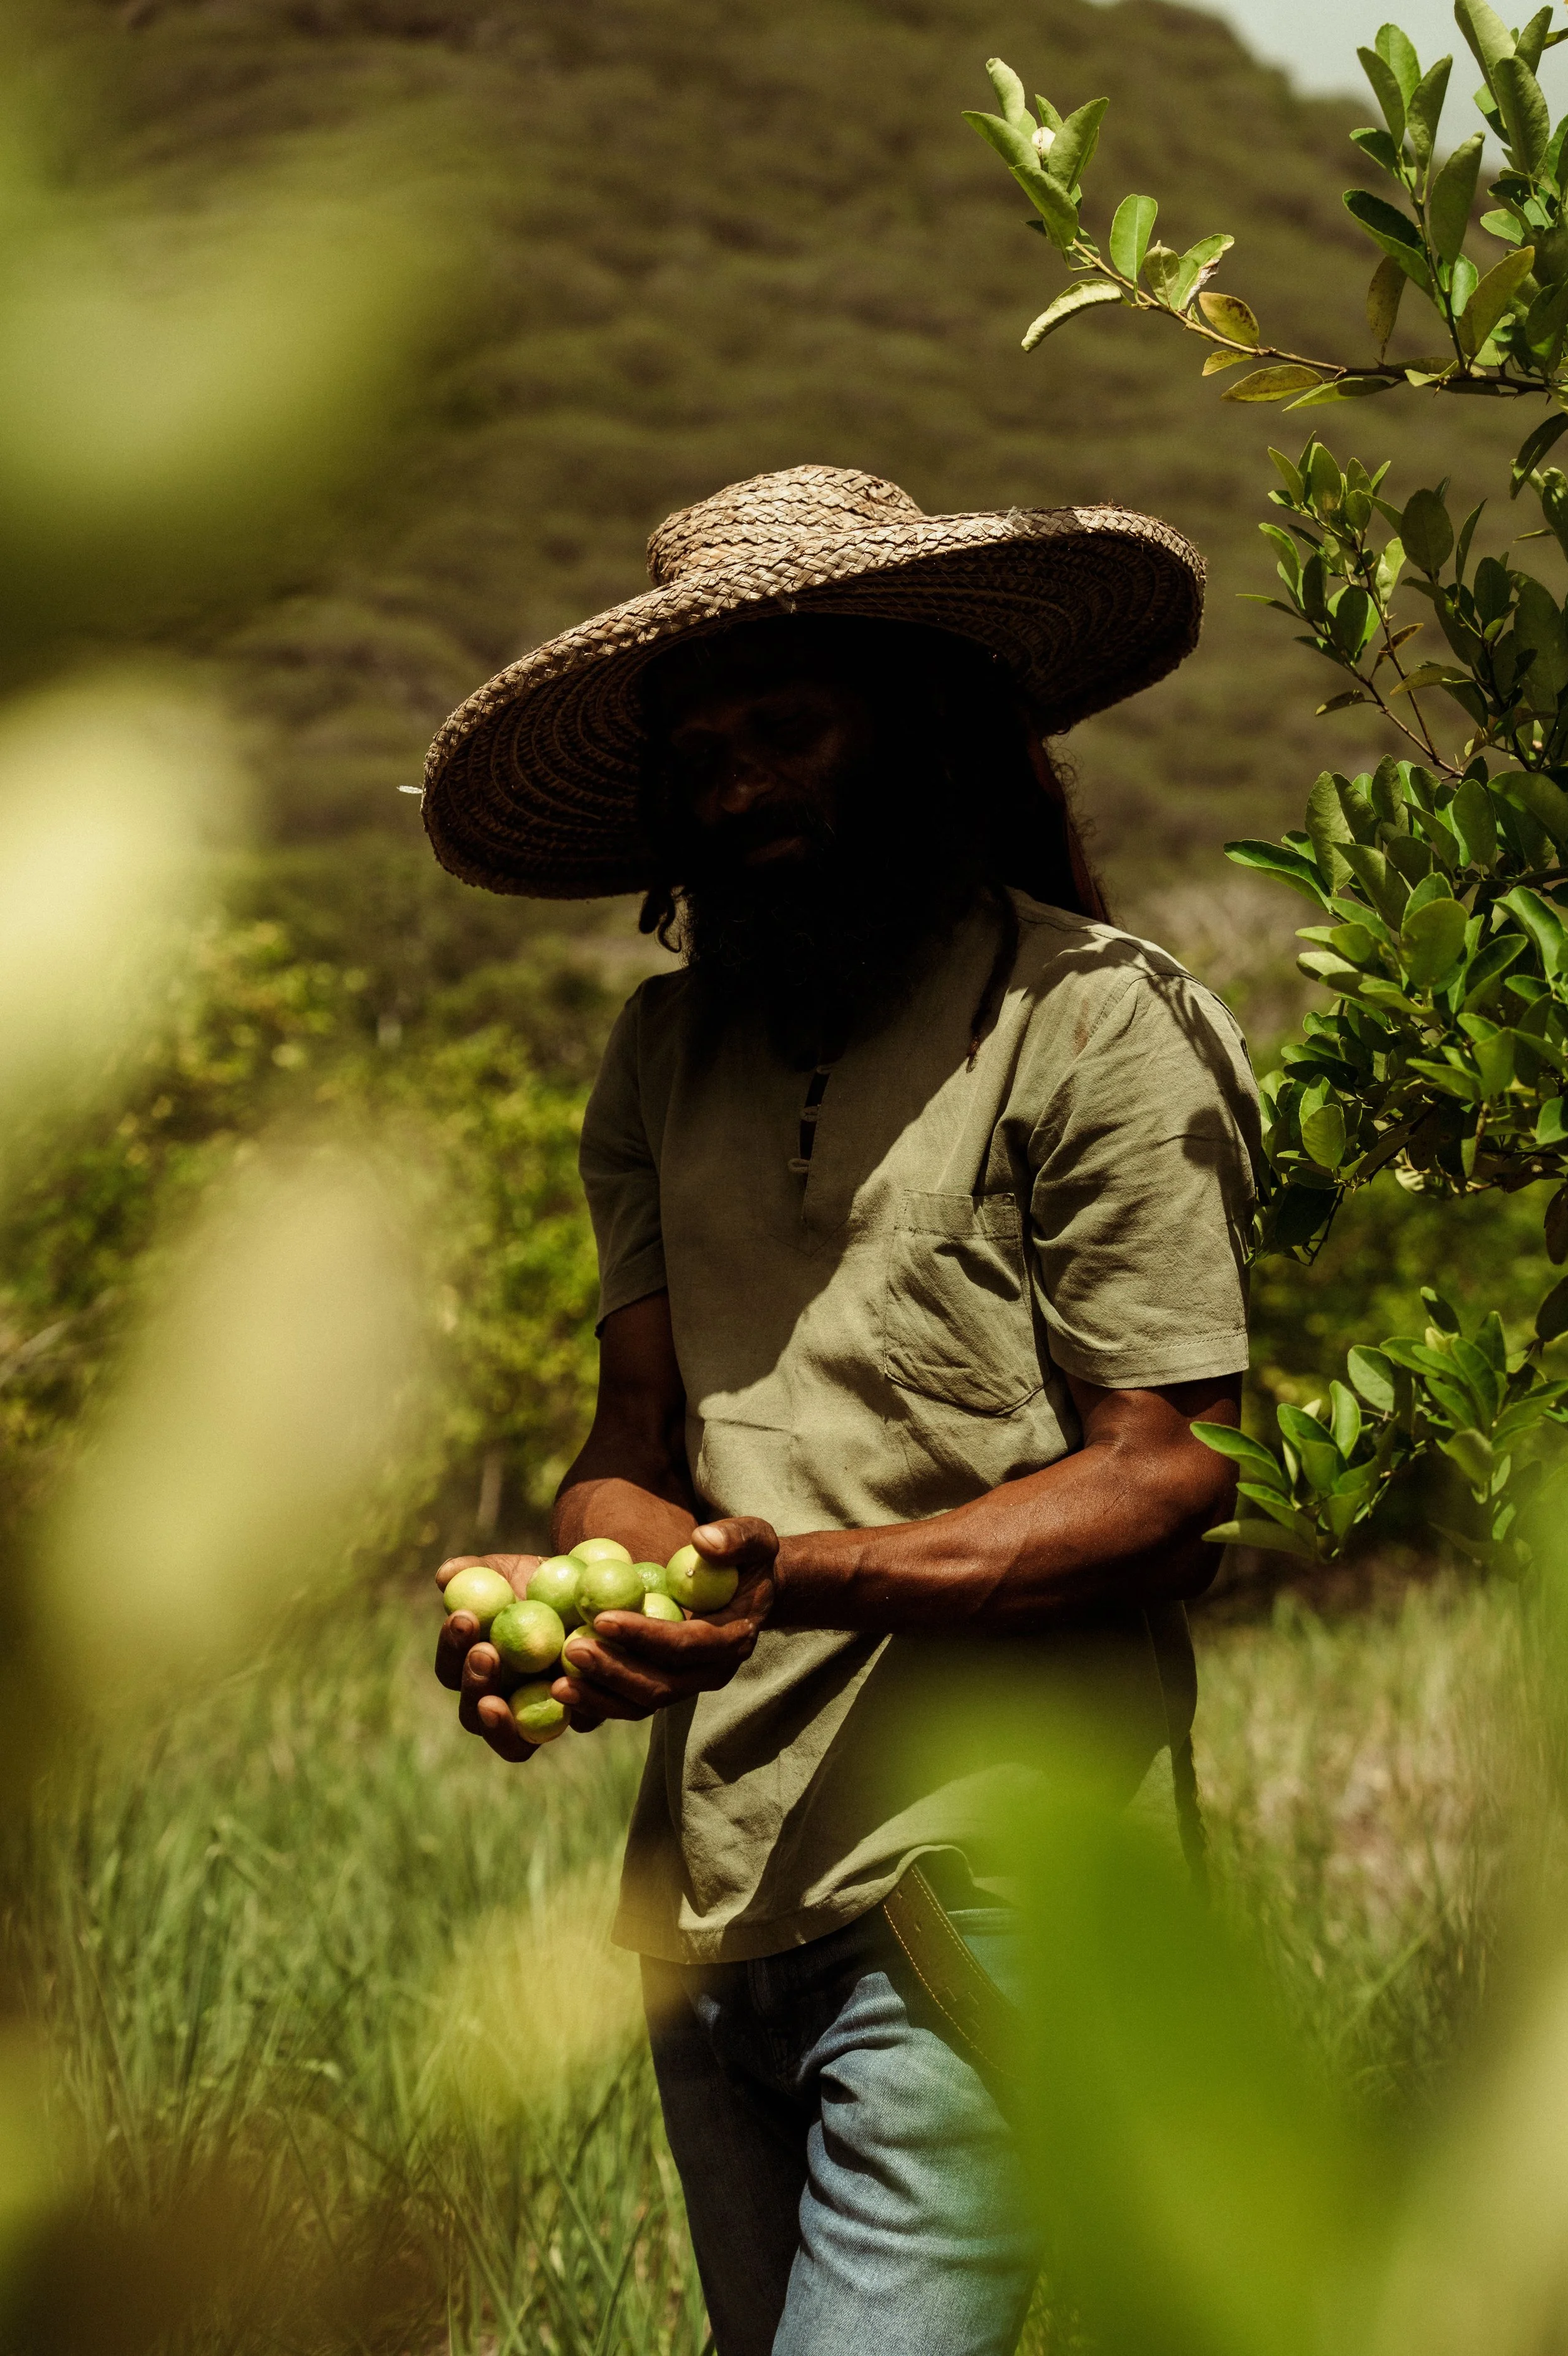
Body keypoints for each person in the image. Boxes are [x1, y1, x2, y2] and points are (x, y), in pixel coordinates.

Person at [423, 464, 1258, 2356]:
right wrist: (592, 1609)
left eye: (786, 727)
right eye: (700, 755)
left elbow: (1166, 1471)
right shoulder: (658, 1053)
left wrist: (781, 1579)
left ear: (923, 726)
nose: (739, 790)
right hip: (712, 1889)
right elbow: (634, 1444)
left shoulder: (1089, 1021)